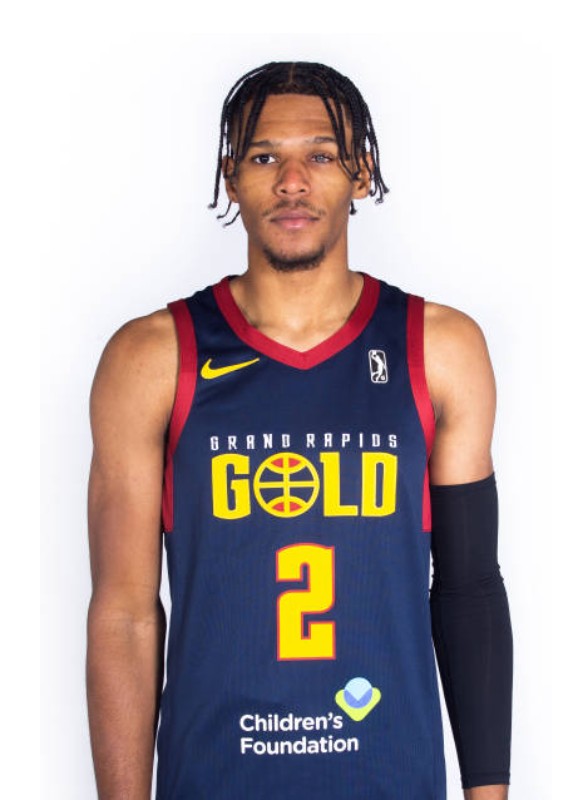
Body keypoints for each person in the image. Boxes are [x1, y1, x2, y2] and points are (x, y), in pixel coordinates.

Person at [87, 61, 513, 800]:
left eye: (320, 154)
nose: (292, 181)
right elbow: (124, 612)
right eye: (264, 158)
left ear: (361, 173)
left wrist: (490, 793)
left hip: (391, 780)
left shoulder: (439, 348)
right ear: (230, 176)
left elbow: (469, 588)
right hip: (212, 780)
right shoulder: (151, 357)